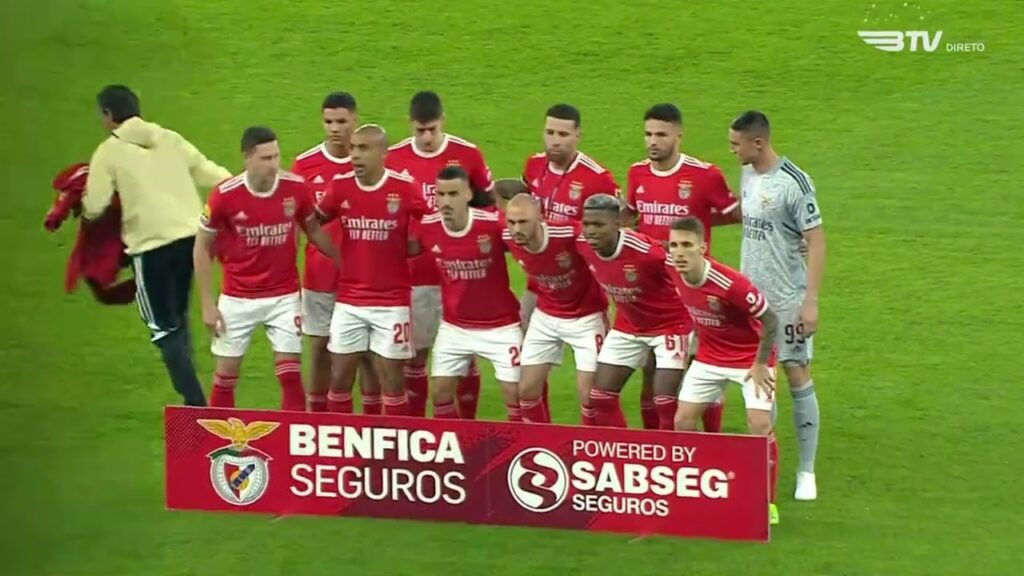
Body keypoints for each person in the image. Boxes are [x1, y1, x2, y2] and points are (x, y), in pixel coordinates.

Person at [82, 85, 231, 406]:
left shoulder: (108, 152)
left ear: (108, 115)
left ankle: (195, 406)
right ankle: (194, 398)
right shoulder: (169, 138)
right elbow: (212, 173)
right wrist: (240, 191)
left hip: (151, 248)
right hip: (192, 241)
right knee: (178, 313)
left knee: (164, 328)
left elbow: (95, 205)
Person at [194, 126, 340, 411]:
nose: (274, 165)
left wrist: (345, 262)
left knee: (289, 374)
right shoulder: (224, 196)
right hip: (237, 297)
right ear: (247, 158)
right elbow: (202, 246)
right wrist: (207, 303)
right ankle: (217, 442)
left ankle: (291, 441)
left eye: (276, 156)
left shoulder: (296, 188)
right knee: (225, 375)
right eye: (266, 158)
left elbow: (313, 230)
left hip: (283, 297)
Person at [625, 103, 741, 432]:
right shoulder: (638, 173)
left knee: (699, 366)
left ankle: (712, 439)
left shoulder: (704, 175)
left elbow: (735, 213)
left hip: (691, 289)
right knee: (652, 368)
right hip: (650, 291)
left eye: (661, 134)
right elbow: (632, 216)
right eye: (648, 134)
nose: (653, 141)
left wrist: (699, 226)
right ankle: (656, 444)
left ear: (679, 135)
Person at [729, 110, 826, 501]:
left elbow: (817, 241)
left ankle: (806, 471)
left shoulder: (795, 183)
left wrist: (811, 302)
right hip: (750, 301)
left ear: (758, 142)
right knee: (759, 381)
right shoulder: (748, 174)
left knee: (796, 374)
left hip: (787, 301)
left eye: (736, 144)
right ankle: (765, 467)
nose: (732, 150)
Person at [385, 90, 495, 418]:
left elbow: (488, 206)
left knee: (466, 354)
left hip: (461, 274)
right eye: (420, 131)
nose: (428, 137)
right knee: (416, 355)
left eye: (433, 129)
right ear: (410, 125)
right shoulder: (394, 158)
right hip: (417, 275)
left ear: (443, 121)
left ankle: (467, 427)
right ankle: (420, 429)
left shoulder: (468, 154)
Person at [667, 216, 781, 525]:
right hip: (710, 357)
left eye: (687, 245)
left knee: (758, 425)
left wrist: (760, 363)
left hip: (750, 357)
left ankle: (766, 503)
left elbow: (771, 321)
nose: (679, 252)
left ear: (702, 248)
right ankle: (693, 488)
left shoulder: (731, 284)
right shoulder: (672, 271)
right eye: (674, 245)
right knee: (683, 420)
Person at [315, 124, 425, 415]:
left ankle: (394, 450)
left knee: (392, 378)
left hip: (392, 303)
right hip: (349, 301)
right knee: (339, 376)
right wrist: (338, 256)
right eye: (352, 148)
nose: (354, 155)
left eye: (363, 149)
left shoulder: (404, 189)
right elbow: (313, 222)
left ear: (383, 153)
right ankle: (340, 442)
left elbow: (431, 225)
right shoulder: (340, 187)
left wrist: (413, 247)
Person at [291, 92, 381, 413]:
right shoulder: (305, 165)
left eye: (342, 121)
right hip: (320, 276)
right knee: (319, 350)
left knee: (370, 354)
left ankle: (371, 425)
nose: (335, 128)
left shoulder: (372, 162)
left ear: (355, 120)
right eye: (329, 121)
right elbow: (298, 223)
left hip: (367, 278)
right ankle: (318, 422)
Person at [577, 194, 693, 429]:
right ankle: (619, 453)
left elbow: (688, 274)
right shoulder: (582, 245)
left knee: (665, 400)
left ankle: (670, 456)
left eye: (599, 225)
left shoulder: (648, 252)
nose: (591, 231)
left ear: (618, 224)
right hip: (628, 326)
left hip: (670, 326)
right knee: (600, 396)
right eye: (587, 224)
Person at [416, 167, 523, 421]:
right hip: (455, 326)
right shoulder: (428, 227)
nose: (446, 201)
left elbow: (527, 249)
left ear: (467, 194)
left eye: (453, 194)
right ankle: (457, 450)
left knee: (516, 394)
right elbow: (404, 248)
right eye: (440, 194)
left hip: (501, 326)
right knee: (440, 393)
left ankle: (520, 452)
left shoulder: (493, 225)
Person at [502, 194, 608, 424]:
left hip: (586, 318)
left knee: (590, 396)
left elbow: (604, 239)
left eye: (523, 222)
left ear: (540, 217)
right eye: (511, 222)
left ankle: (591, 450)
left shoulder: (568, 235)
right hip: (546, 316)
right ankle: (540, 446)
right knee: (527, 391)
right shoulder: (508, 238)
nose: (516, 228)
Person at [44, 162, 136, 305]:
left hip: (121, 227)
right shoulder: (86, 177)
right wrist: (56, 215)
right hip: (101, 232)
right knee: (98, 283)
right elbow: (68, 195)